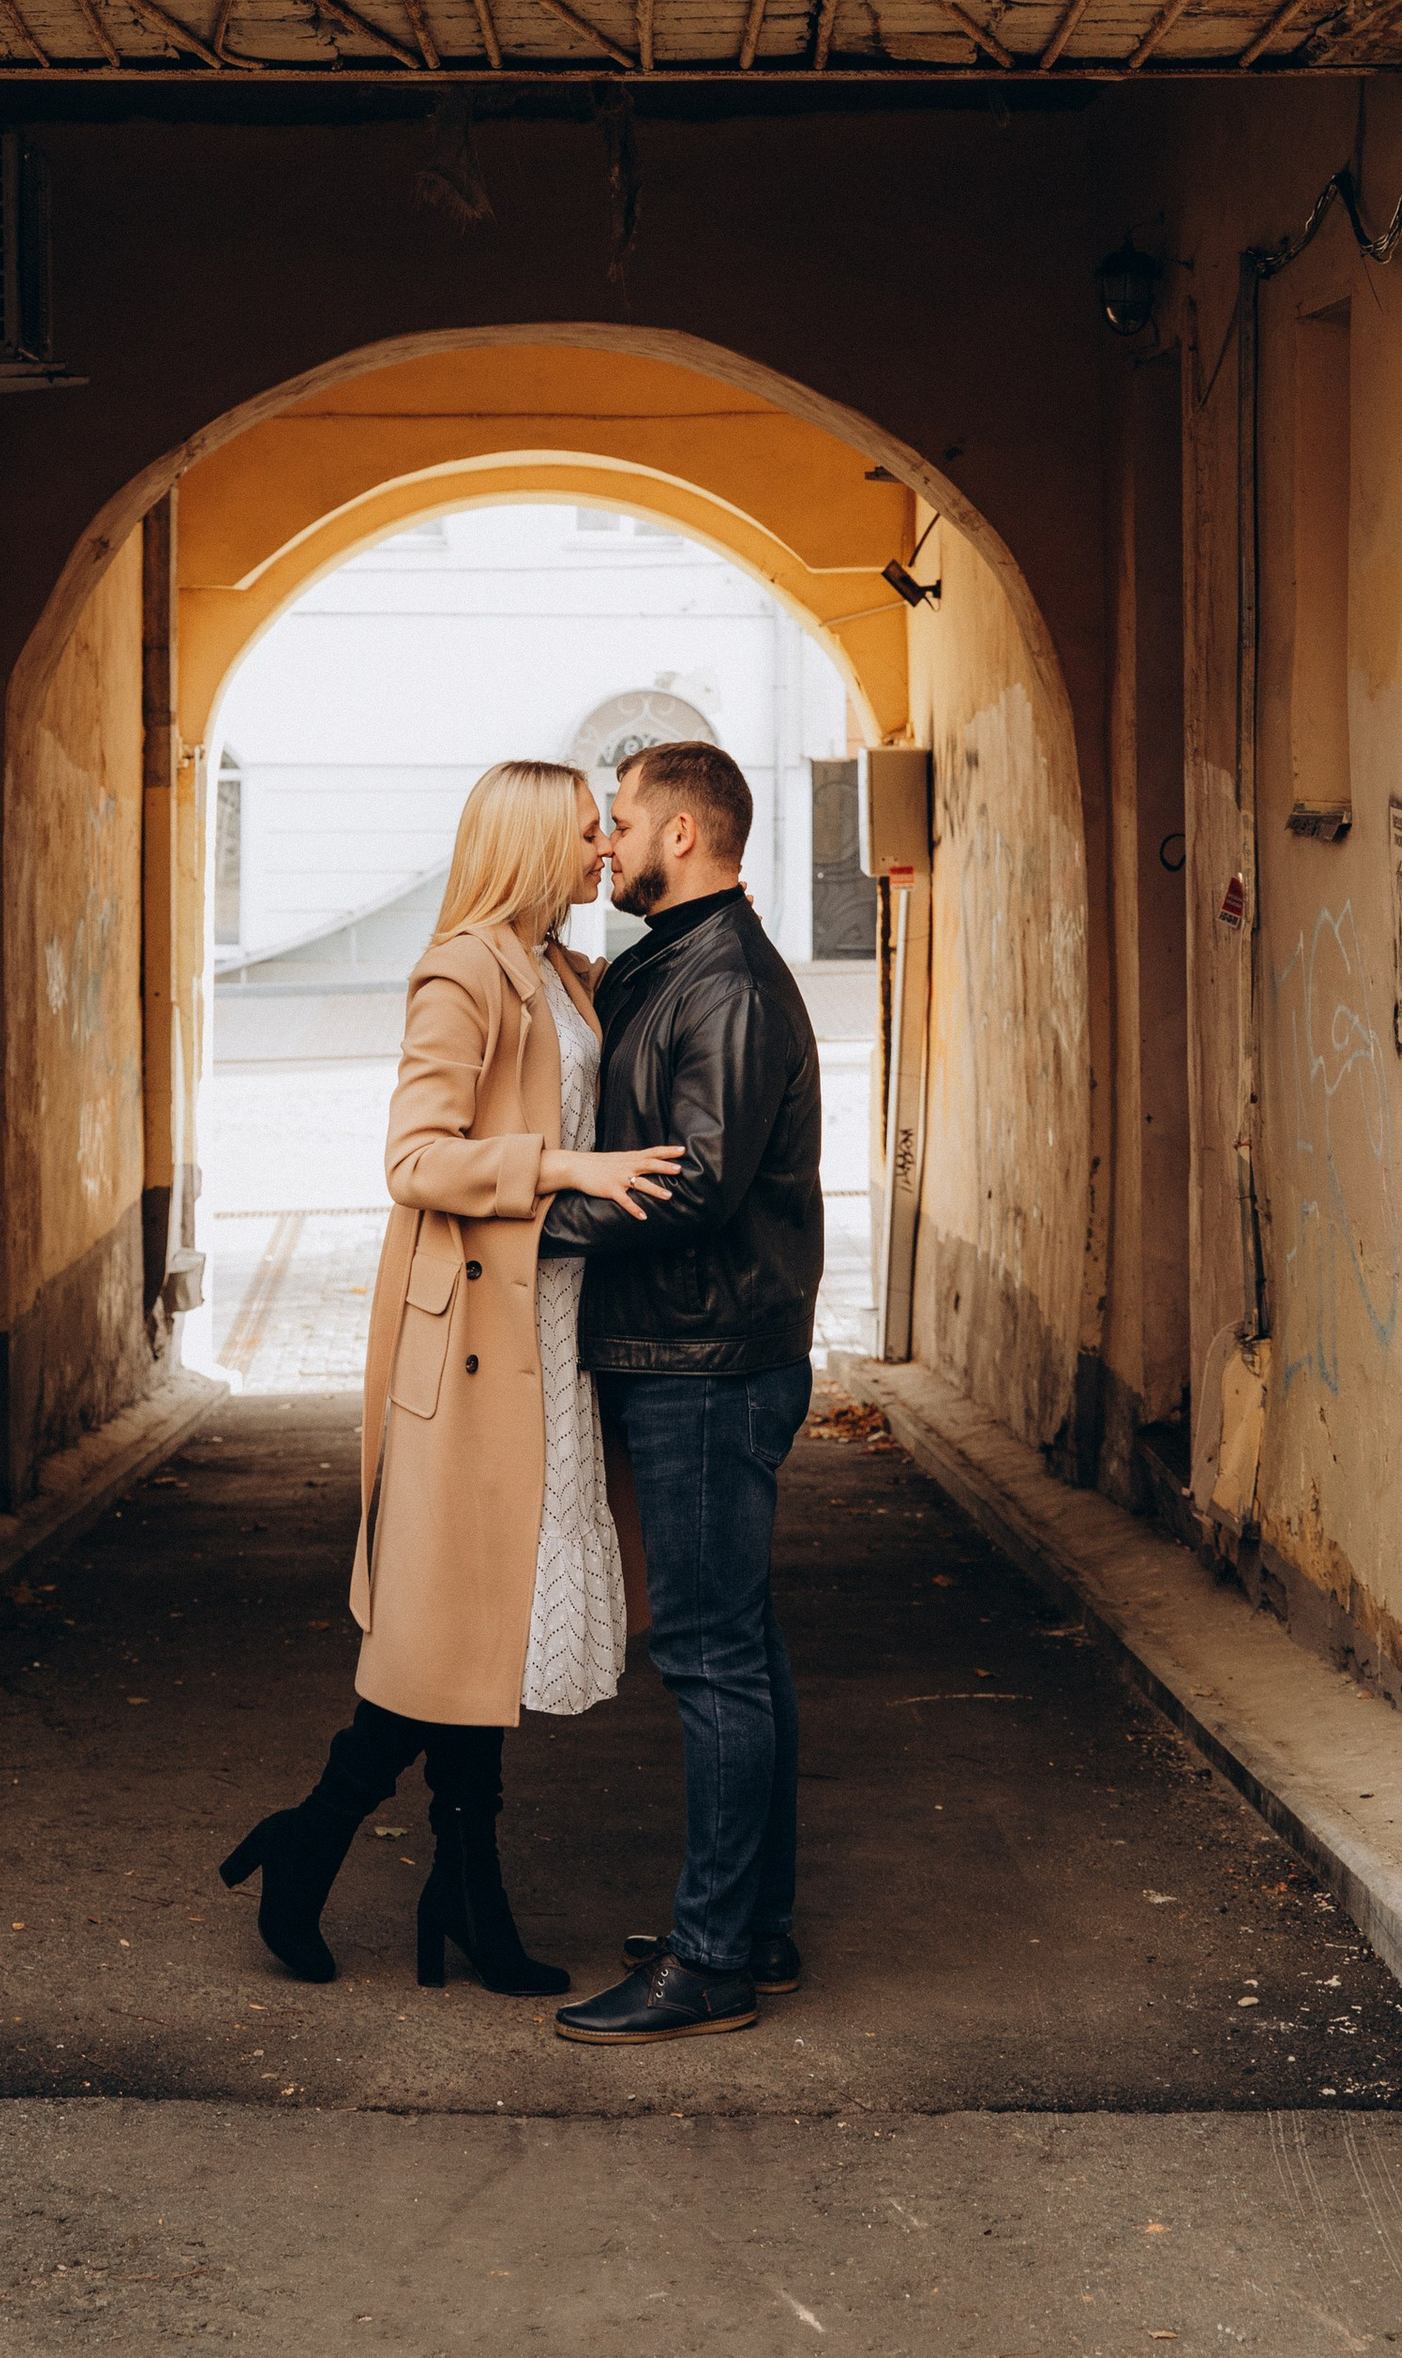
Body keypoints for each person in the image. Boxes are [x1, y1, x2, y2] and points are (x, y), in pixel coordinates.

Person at [219, 759, 684, 1990]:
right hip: (471, 1343)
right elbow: (415, 1159)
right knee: (456, 1625)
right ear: (529, 842)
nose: (603, 848)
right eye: (585, 832)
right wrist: (564, 1168)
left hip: (549, 1326)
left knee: (485, 1625)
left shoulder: (562, 970)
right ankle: (344, 1848)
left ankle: (435, 1881)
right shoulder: (461, 970)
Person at [540, 738, 824, 2045]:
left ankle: (710, 1964)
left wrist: (539, 1230)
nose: (606, 842)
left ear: (684, 835)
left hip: (708, 1363)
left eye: (622, 821)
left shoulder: (729, 983)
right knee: (738, 1647)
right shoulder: (672, 961)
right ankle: (750, 1930)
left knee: (710, 1657)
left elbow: (698, 1179)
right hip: (692, 1351)